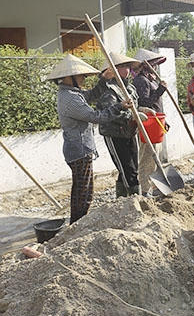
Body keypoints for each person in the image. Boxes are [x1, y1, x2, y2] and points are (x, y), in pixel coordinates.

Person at [47, 54, 133, 223]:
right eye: (81, 76)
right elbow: (95, 116)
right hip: (79, 150)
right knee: (83, 191)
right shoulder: (70, 98)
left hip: (79, 148)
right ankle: (78, 222)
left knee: (80, 189)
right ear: (68, 77)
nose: (84, 78)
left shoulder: (72, 92)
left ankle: (77, 221)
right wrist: (119, 107)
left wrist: (103, 80)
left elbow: (92, 95)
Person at [87, 53, 143, 198]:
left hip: (131, 131)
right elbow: (110, 113)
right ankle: (134, 199)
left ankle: (122, 198)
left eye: (127, 67)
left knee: (133, 166)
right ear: (113, 70)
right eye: (122, 67)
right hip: (114, 133)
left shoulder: (129, 87)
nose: (126, 70)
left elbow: (135, 106)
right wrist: (132, 116)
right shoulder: (108, 90)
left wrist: (142, 111)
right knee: (127, 168)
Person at [133, 48, 168, 195]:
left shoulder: (150, 79)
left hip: (157, 122)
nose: (154, 66)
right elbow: (145, 103)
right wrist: (160, 90)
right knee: (147, 157)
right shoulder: (141, 80)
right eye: (152, 63)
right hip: (149, 123)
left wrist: (163, 122)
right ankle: (145, 190)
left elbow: (156, 104)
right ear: (144, 65)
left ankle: (155, 187)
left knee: (155, 157)